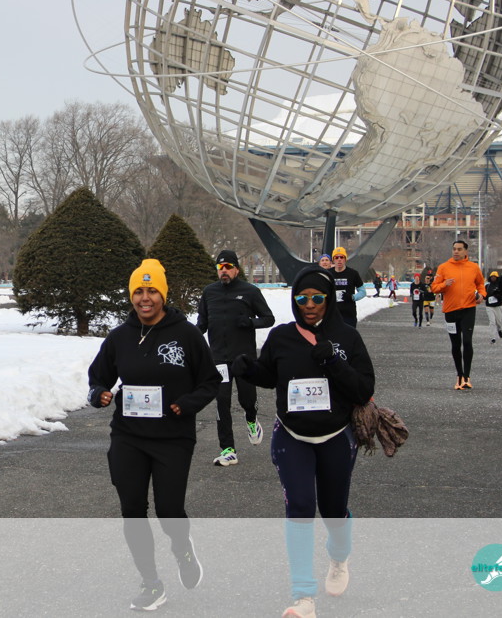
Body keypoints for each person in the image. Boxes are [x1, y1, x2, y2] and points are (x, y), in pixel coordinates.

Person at [231, 266, 374, 618]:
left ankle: (339, 558)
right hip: (292, 436)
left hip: (336, 436)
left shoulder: (347, 337)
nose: (309, 305)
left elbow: (363, 389)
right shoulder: (282, 336)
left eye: (317, 298)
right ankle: (303, 597)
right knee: (299, 507)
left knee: (333, 511)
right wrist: (249, 368)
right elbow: (270, 375)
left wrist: (333, 360)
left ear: (329, 300)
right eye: (302, 298)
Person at [88, 258, 221, 611]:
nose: (144, 298)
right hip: (128, 436)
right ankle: (151, 583)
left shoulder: (187, 334)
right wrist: (99, 394)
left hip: (172, 438)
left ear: (163, 294)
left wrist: (188, 403)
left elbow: (210, 380)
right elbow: (98, 376)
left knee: (169, 509)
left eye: (152, 291)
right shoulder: (120, 337)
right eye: (138, 291)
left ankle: (182, 547)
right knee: (132, 509)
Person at [196, 249, 276, 467]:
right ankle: (228, 449)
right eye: (220, 267)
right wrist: (189, 337)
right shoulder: (209, 292)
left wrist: (250, 322)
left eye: (228, 267)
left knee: (246, 399)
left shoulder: (249, 291)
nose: (224, 271)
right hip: (218, 357)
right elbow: (202, 323)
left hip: (243, 357)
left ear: (236, 270)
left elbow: (269, 318)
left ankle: (251, 418)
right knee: (222, 401)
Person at [430, 240, 486, 390]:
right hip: (450, 310)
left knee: (467, 341)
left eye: (459, 249)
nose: (456, 251)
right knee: (456, 344)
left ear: (465, 251)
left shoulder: (473, 267)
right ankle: (459, 375)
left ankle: (467, 376)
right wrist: (444, 284)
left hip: (468, 309)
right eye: (454, 249)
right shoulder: (443, 267)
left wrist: (482, 294)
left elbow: (480, 284)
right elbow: (434, 287)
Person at [326, 247, 365, 327]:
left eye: (342, 257)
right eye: (336, 257)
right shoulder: (328, 274)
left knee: (348, 335)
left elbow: (363, 292)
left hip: (349, 315)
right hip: (332, 314)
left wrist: (352, 297)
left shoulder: (353, 273)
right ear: (333, 260)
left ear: (345, 259)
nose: (339, 260)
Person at [484, 271, 502, 343]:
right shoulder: (487, 286)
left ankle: (499, 329)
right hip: (489, 306)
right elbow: (484, 295)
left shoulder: (500, 285)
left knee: (499, 321)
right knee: (492, 322)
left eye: (494, 277)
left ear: (497, 278)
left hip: (498, 306)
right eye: (492, 277)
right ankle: (493, 337)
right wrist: (485, 296)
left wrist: (497, 295)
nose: (493, 278)